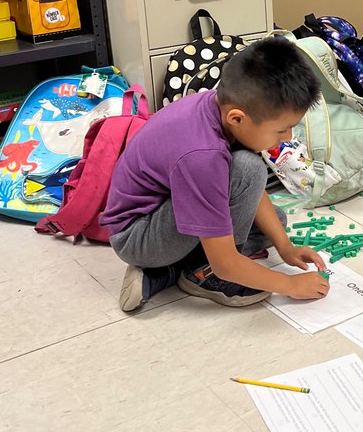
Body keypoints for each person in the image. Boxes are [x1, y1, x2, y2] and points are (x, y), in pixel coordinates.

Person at [102, 36, 331, 312]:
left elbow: (251, 191)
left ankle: (180, 267)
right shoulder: (203, 155)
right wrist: (290, 285)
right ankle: (192, 272)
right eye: (281, 130)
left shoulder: (221, 107)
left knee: (274, 222)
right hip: (138, 236)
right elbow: (227, 263)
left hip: (166, 211)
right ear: (237, 118)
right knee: (248, 170)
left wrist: (286, 247)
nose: (288, 137)